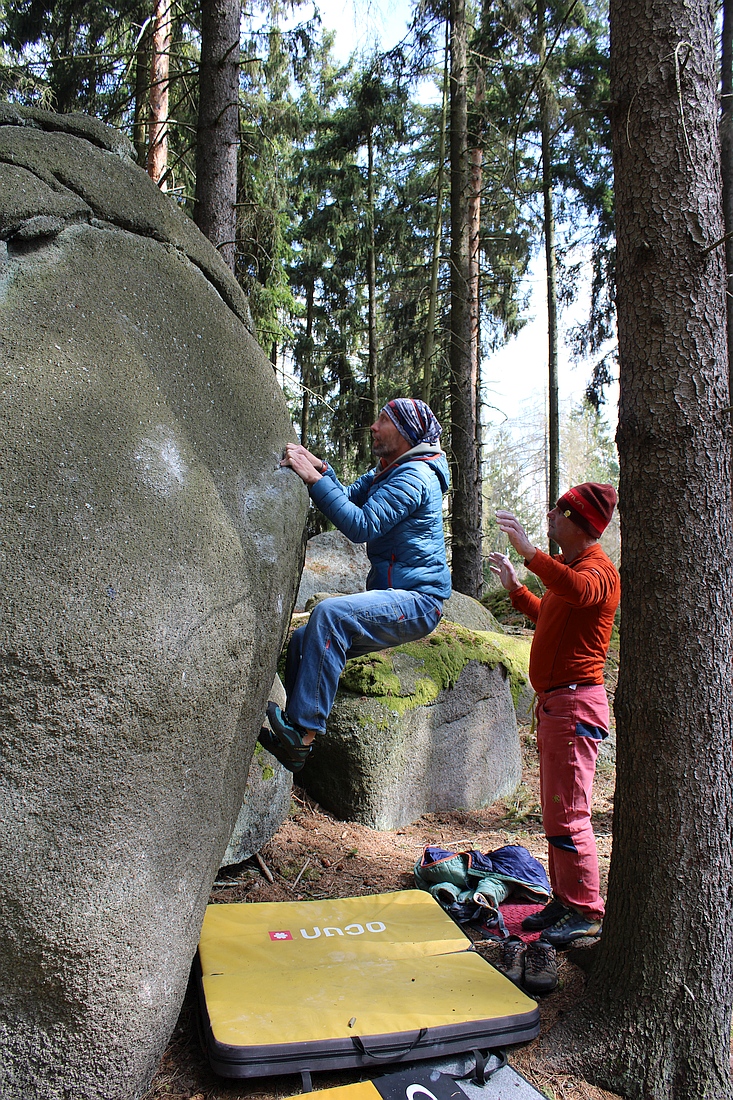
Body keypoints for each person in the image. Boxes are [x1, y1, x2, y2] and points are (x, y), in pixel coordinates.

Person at [259, 398, 451, 773]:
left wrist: (313, 480)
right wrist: (323, 469)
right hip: (402, 596)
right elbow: (347, 497)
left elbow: (360, 525)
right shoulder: (390, 469)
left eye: (384, 420)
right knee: (304, 639)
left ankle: (303, 735)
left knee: (329, 616)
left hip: (419, 601)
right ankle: (296, 740)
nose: (374, 427)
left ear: (407, 432)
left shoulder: (415, 476)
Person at [489, 483, 620, 946]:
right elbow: (551, 612)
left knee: (569, 814)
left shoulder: (599, 570)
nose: (549, 514)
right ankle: (564, 899)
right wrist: (516, 589)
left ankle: (586, 909)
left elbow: (581, 593)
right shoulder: (569, 569)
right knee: (556, 813)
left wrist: (530, 552)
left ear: (576, 520)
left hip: (575, 704)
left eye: (558, 510)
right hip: (558, 705)